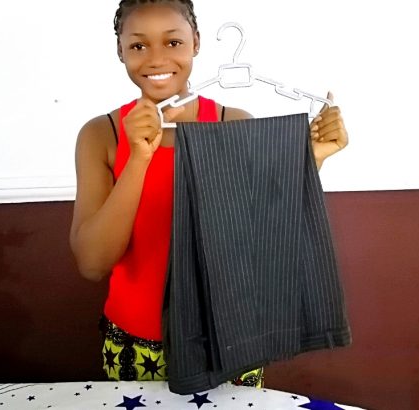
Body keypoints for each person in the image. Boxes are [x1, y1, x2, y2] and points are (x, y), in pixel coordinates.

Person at [69, 0, 348, 387]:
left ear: (195, 43)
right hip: (136, 343)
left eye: (172, 42)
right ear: (120, 50)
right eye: (138, 45)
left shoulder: (233, 123)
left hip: (228, 339)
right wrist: (138, 159)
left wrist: (312, 160)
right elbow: (92, 263)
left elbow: (261, 240)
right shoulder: (102, 135)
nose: (155, 58)